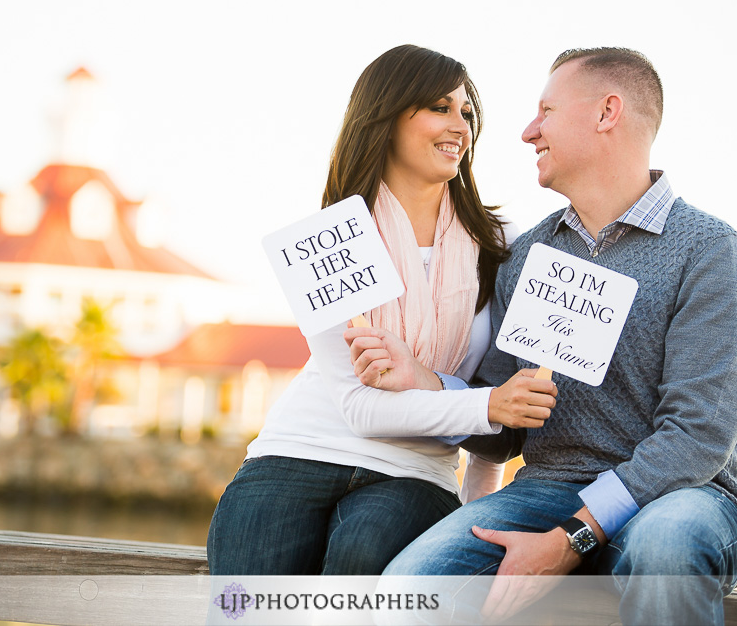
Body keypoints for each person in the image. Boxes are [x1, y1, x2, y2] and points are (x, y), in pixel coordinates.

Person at [365, 47, 737, 624]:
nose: (528, 132)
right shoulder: (529, 254)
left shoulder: (711, 252)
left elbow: (698, 437)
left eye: (546, 111)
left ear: (607, 113)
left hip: (689, 495)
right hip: (550, 489)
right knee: (408, 587)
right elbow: (503, 431)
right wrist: (427, 382)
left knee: (666, 546)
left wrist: (570, 541)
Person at [205, 44, 558, 576]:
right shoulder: (331, 237)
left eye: (465, 112)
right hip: (296, 450)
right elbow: (362, 408)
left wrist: (477, 509)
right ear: (387, 116)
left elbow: (501, 391)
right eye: (439, 107)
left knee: (360, 564)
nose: (459, 125)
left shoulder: (501, 242)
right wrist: (489, 406)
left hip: (416, 471)